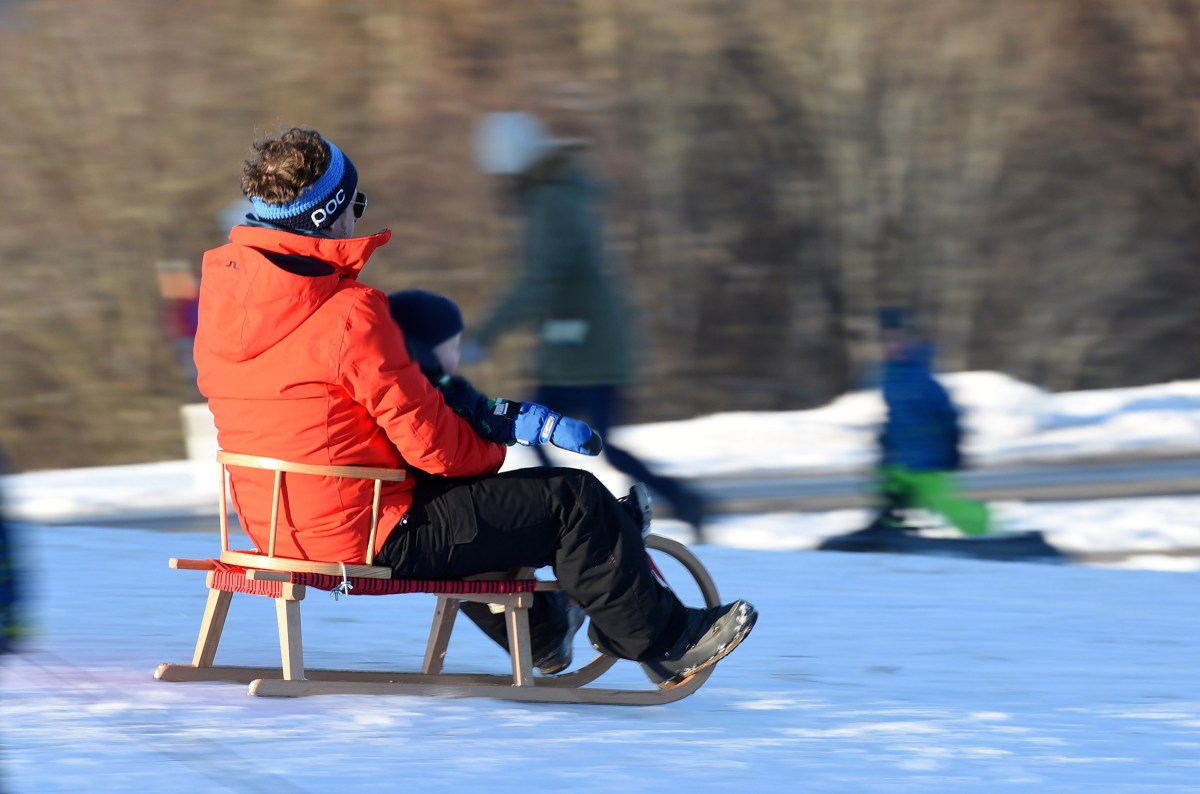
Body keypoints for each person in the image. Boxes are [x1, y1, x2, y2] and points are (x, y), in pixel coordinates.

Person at [192, 126, 756, 688]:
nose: (358, 219)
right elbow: (437, 448)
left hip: (277, 524)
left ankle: (544, 636)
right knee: (572, 498)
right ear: (328, 217)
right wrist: (493, 454)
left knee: (477, 508)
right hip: (361, 532)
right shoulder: (351, 315)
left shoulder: (220, 306)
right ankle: (663, 640)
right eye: (355, 204)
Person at [465, 111, 710, 541]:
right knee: (546, 431)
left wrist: (485, 335)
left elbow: (540, 279)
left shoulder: (552, 202)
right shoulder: (551, 194)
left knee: (556, 433)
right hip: (576, 348)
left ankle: (589, 514)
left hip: (591, 353)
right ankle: (585, 513)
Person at [387, 287, 653, 669]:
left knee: (479, 558)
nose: (457, 357)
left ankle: (545, 638)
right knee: (548, 507)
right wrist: (543, 427)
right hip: (421, 523)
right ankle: (606, 536)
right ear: (424, 348)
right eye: (451, 346)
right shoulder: (422, 394)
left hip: (419, 519)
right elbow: (485, 417)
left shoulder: (408, 388)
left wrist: (548, 425)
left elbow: (493, 413)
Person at [870, 307, 991, 536]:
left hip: (928, 461)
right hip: (900, 462)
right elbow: (896, 416)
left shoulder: (921, 377)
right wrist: (885, 441)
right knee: (890, 496)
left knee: (945, 505)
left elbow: (946, 415)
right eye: (886, 340)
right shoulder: (890, 375)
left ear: (910, 340)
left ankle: (988, 532)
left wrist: (952, 449)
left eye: (898, 339)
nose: (892, 346)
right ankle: (888, 534)